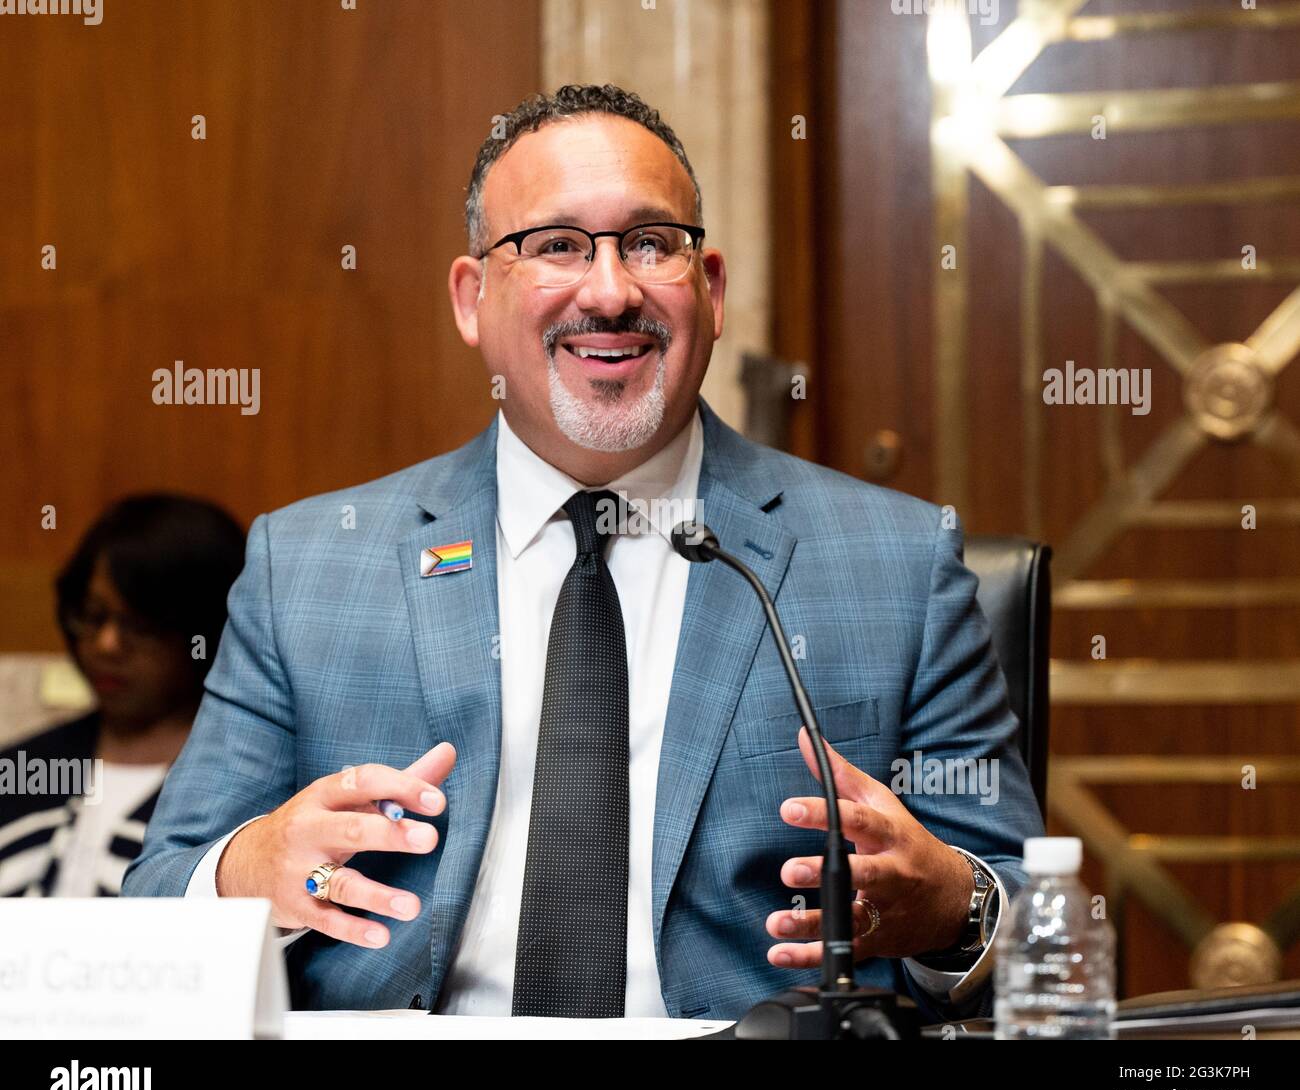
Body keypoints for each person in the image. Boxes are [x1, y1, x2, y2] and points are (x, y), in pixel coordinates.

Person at [124, 84, 1044, 1021]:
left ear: (712, 290)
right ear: (473, 298)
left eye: (651, 244)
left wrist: (950, 905)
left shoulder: (894, 564)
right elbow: (157, 898)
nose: (610, 293)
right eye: (556, 245)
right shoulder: (308, 566)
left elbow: (1033, 931)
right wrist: (246, 874)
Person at [0, 494, 245, 898]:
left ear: (205, 629)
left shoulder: (240, 789)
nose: (107, 644)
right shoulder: (22, 767)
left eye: (140, 625)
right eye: (93, 616)